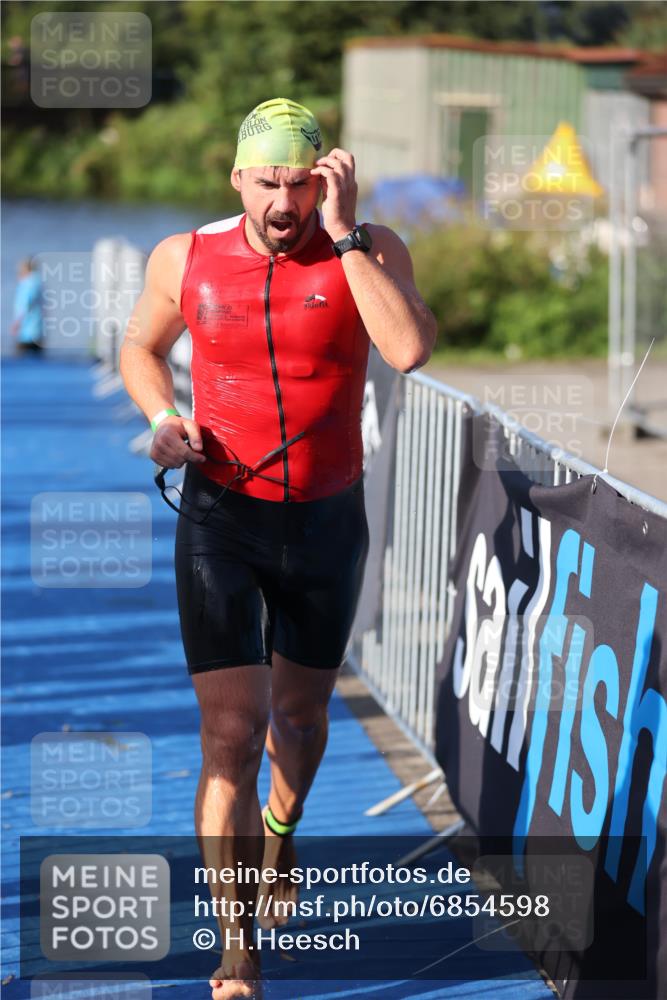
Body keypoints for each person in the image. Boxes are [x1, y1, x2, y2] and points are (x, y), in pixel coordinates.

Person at [119, 98, 437, 999]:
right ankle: (237, 943)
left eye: (300, 181)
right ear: (237, 179)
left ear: (323, 181)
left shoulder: (367, 247)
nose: (283, 200)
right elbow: (141, 346)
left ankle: (284, 830)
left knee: (298, 722)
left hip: (326, 521)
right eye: (268, 181)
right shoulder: (184, 256)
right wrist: (162, 419)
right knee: (231, 731)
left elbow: (409, 350)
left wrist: (342, 239)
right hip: (220, 514)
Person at [11, 257, 44, 353]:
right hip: (39, 330)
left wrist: (17, 323)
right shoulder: (39, 282)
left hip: (27, 332)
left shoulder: (28, 283)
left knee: (19, 362)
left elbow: (25, 305)